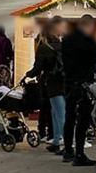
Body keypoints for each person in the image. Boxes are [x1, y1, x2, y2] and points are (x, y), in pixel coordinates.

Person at [61, 15, 96, 166]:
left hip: (68, 81)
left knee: (69, 116)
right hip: (84, 82)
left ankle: (67, 151)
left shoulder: (67, 39)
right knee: (83, 118)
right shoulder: (90, 41)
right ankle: (79, 153)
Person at [26, 18, 66, 155]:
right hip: (65, 81)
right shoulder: (62, 45)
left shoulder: (44, 47)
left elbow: (38, 68)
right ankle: (56, 139)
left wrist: (29, 74)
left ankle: (62, 141)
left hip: (52, 83)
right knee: (58, 112)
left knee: (58, 113)